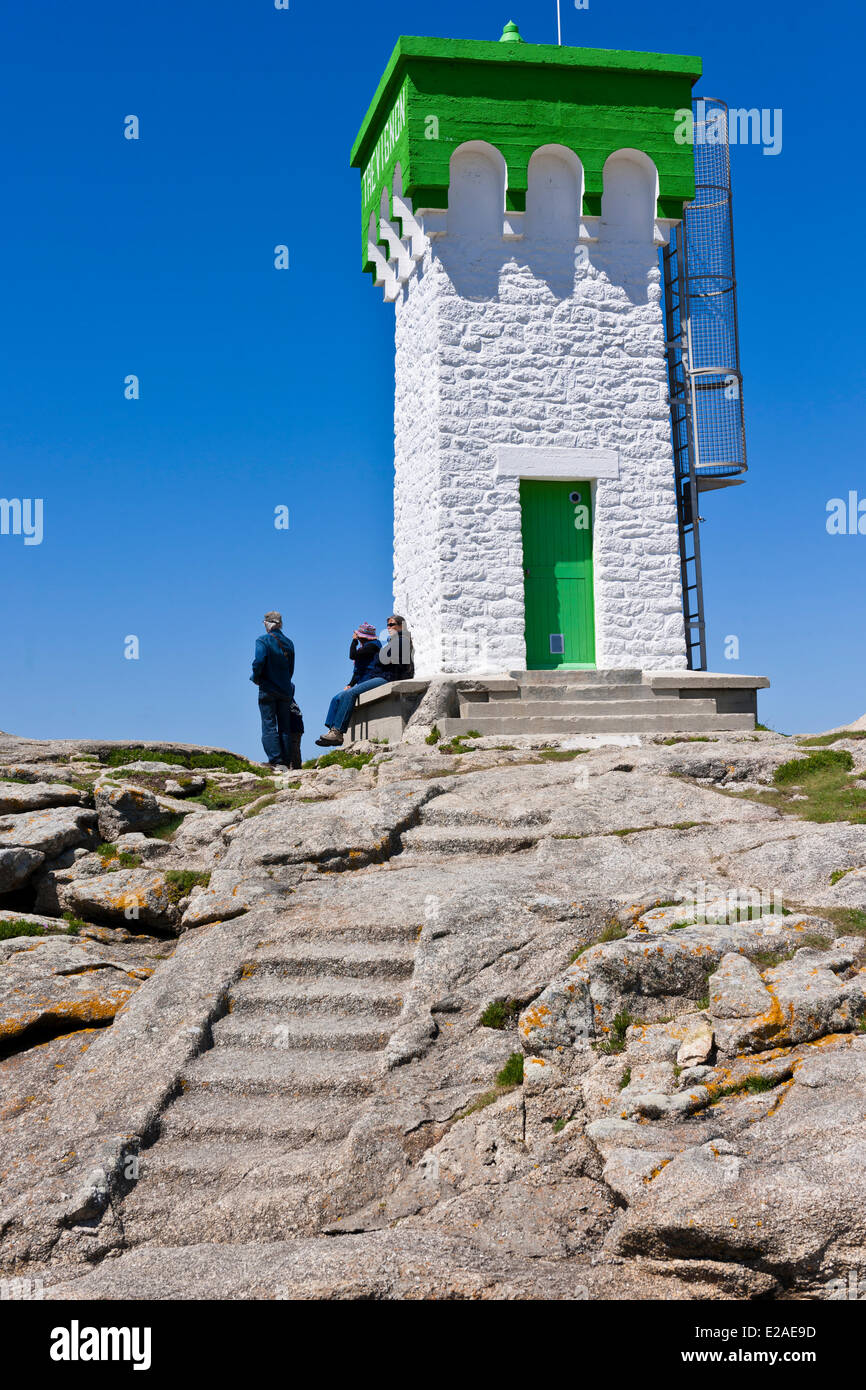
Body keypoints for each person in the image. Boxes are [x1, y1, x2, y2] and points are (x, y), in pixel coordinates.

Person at [315, 621, 388, 747]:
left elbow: (352, 655)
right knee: (336, 698)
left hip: (372, 679)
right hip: (362, 680)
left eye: (358, 636)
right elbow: (358, 671)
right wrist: (350, 684)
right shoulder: (364, 648)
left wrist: (353, 641)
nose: (357, 637)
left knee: (347, 695)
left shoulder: (373, 646)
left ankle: (338, 732)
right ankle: (332, 731)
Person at [250, 610, 296, 769]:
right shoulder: (289, 643)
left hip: (268, 688)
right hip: (285, 689)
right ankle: (286, 761)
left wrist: (256, 678)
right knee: (285, 725)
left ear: (267, 623)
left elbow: (259, 661)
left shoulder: (262, 640)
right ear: (280, 624)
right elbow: (291, 669)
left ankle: (275, 761)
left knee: (269, 724)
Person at [377, 614, 414, 682]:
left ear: (401, 626)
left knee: (353, 692)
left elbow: (384, 659)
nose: (388, 627)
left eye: (391, 625)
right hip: (388, 677)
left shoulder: (401, 640)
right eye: (387, 625)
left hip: (391, 678)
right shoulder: (396, 640)